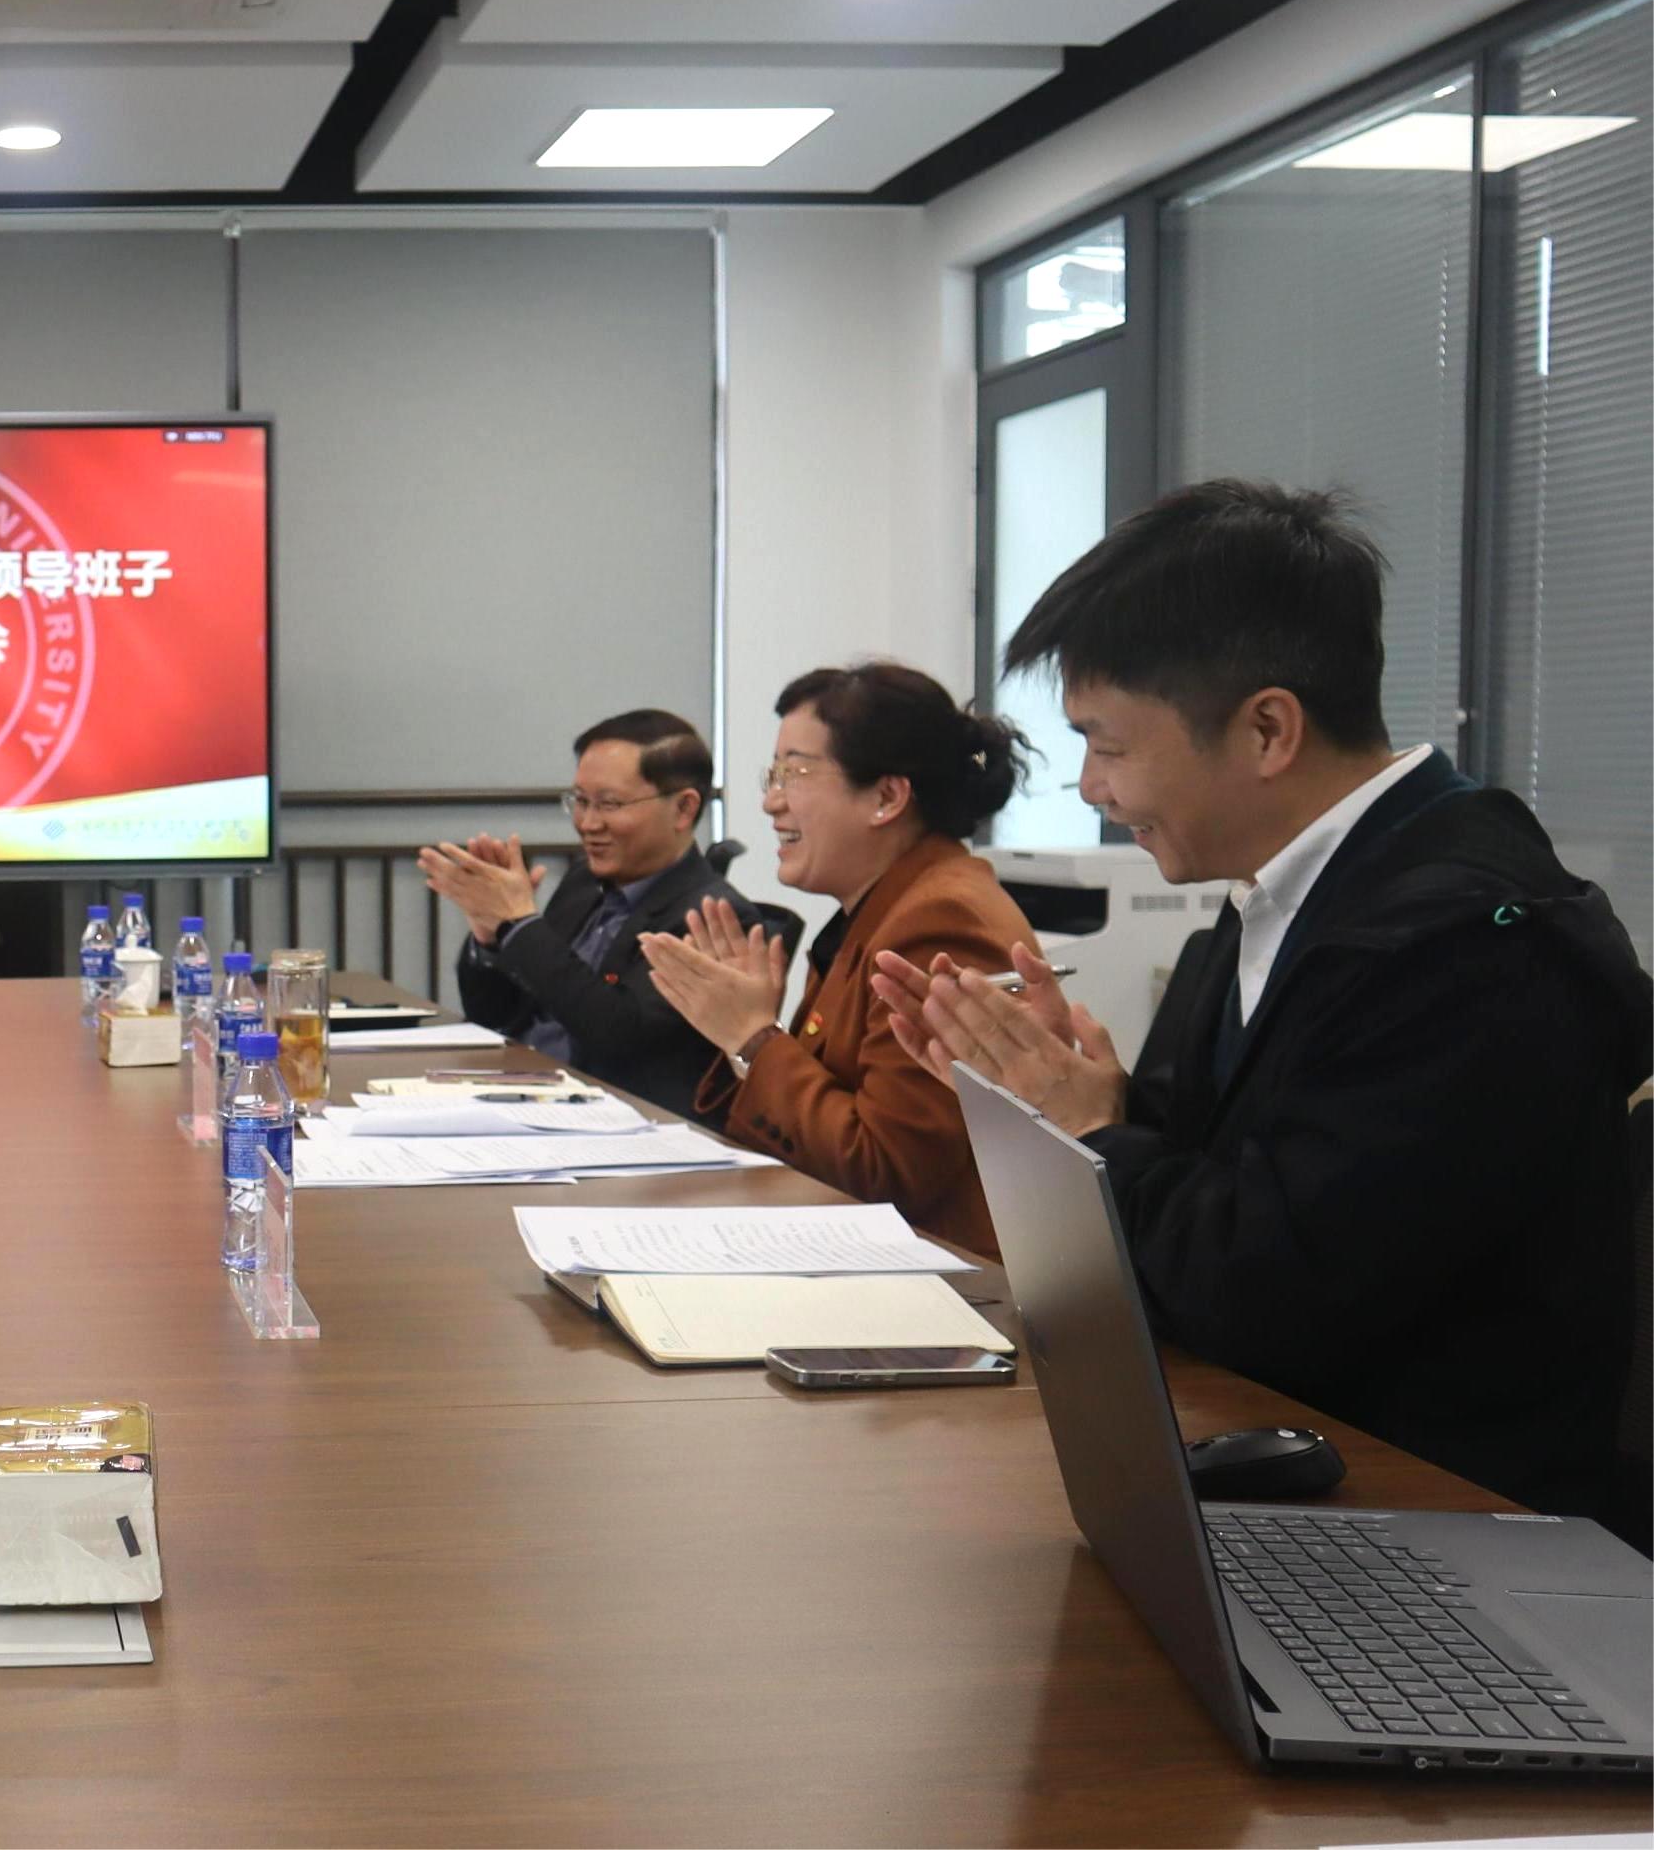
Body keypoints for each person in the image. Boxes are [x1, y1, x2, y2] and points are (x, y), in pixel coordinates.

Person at [873, 480, 1651, 1526]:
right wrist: (1089, 1104)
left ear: (1267, 730)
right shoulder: (1279, 895)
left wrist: (1091, 1127)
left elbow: (1259, 1295)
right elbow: (1225, 1188)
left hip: (1431, 1522)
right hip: (1285, 1463)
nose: (1091, 787)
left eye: (1108, 744)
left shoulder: (1462, 947)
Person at [640, 663, 1041, 1256]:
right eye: (772, 774)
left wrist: (752, 1037)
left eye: (794, 773)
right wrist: (747, 1039)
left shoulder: (940, 923)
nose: (771, 801)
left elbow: (886, 1170)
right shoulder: (887, 905)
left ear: (886, 797)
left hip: (938, 1277)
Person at [419, 709, 792, 1111]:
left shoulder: (714, 918)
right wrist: (491, 934)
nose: (588, 823)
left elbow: (620, 1038)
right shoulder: (583, 884)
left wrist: (521, 924)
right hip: (518, 1092)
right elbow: (499, 1014)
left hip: (613, 1118)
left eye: (609, 804)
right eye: (580, 801)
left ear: (684, 809)